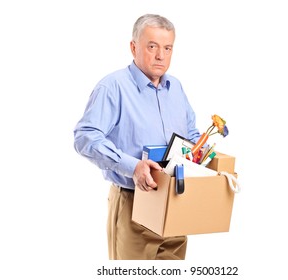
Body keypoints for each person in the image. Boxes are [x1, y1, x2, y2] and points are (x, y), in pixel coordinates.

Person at [73, 14, 201, 260]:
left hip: (177, 203)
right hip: (133, 203)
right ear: (134, 47)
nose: (160, 56)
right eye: (152, 47)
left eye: (167, 48)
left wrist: (203, 155)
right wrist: (132, 167)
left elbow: (191, 133)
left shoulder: (176, 88)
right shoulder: (113, 87)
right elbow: (85, 136)